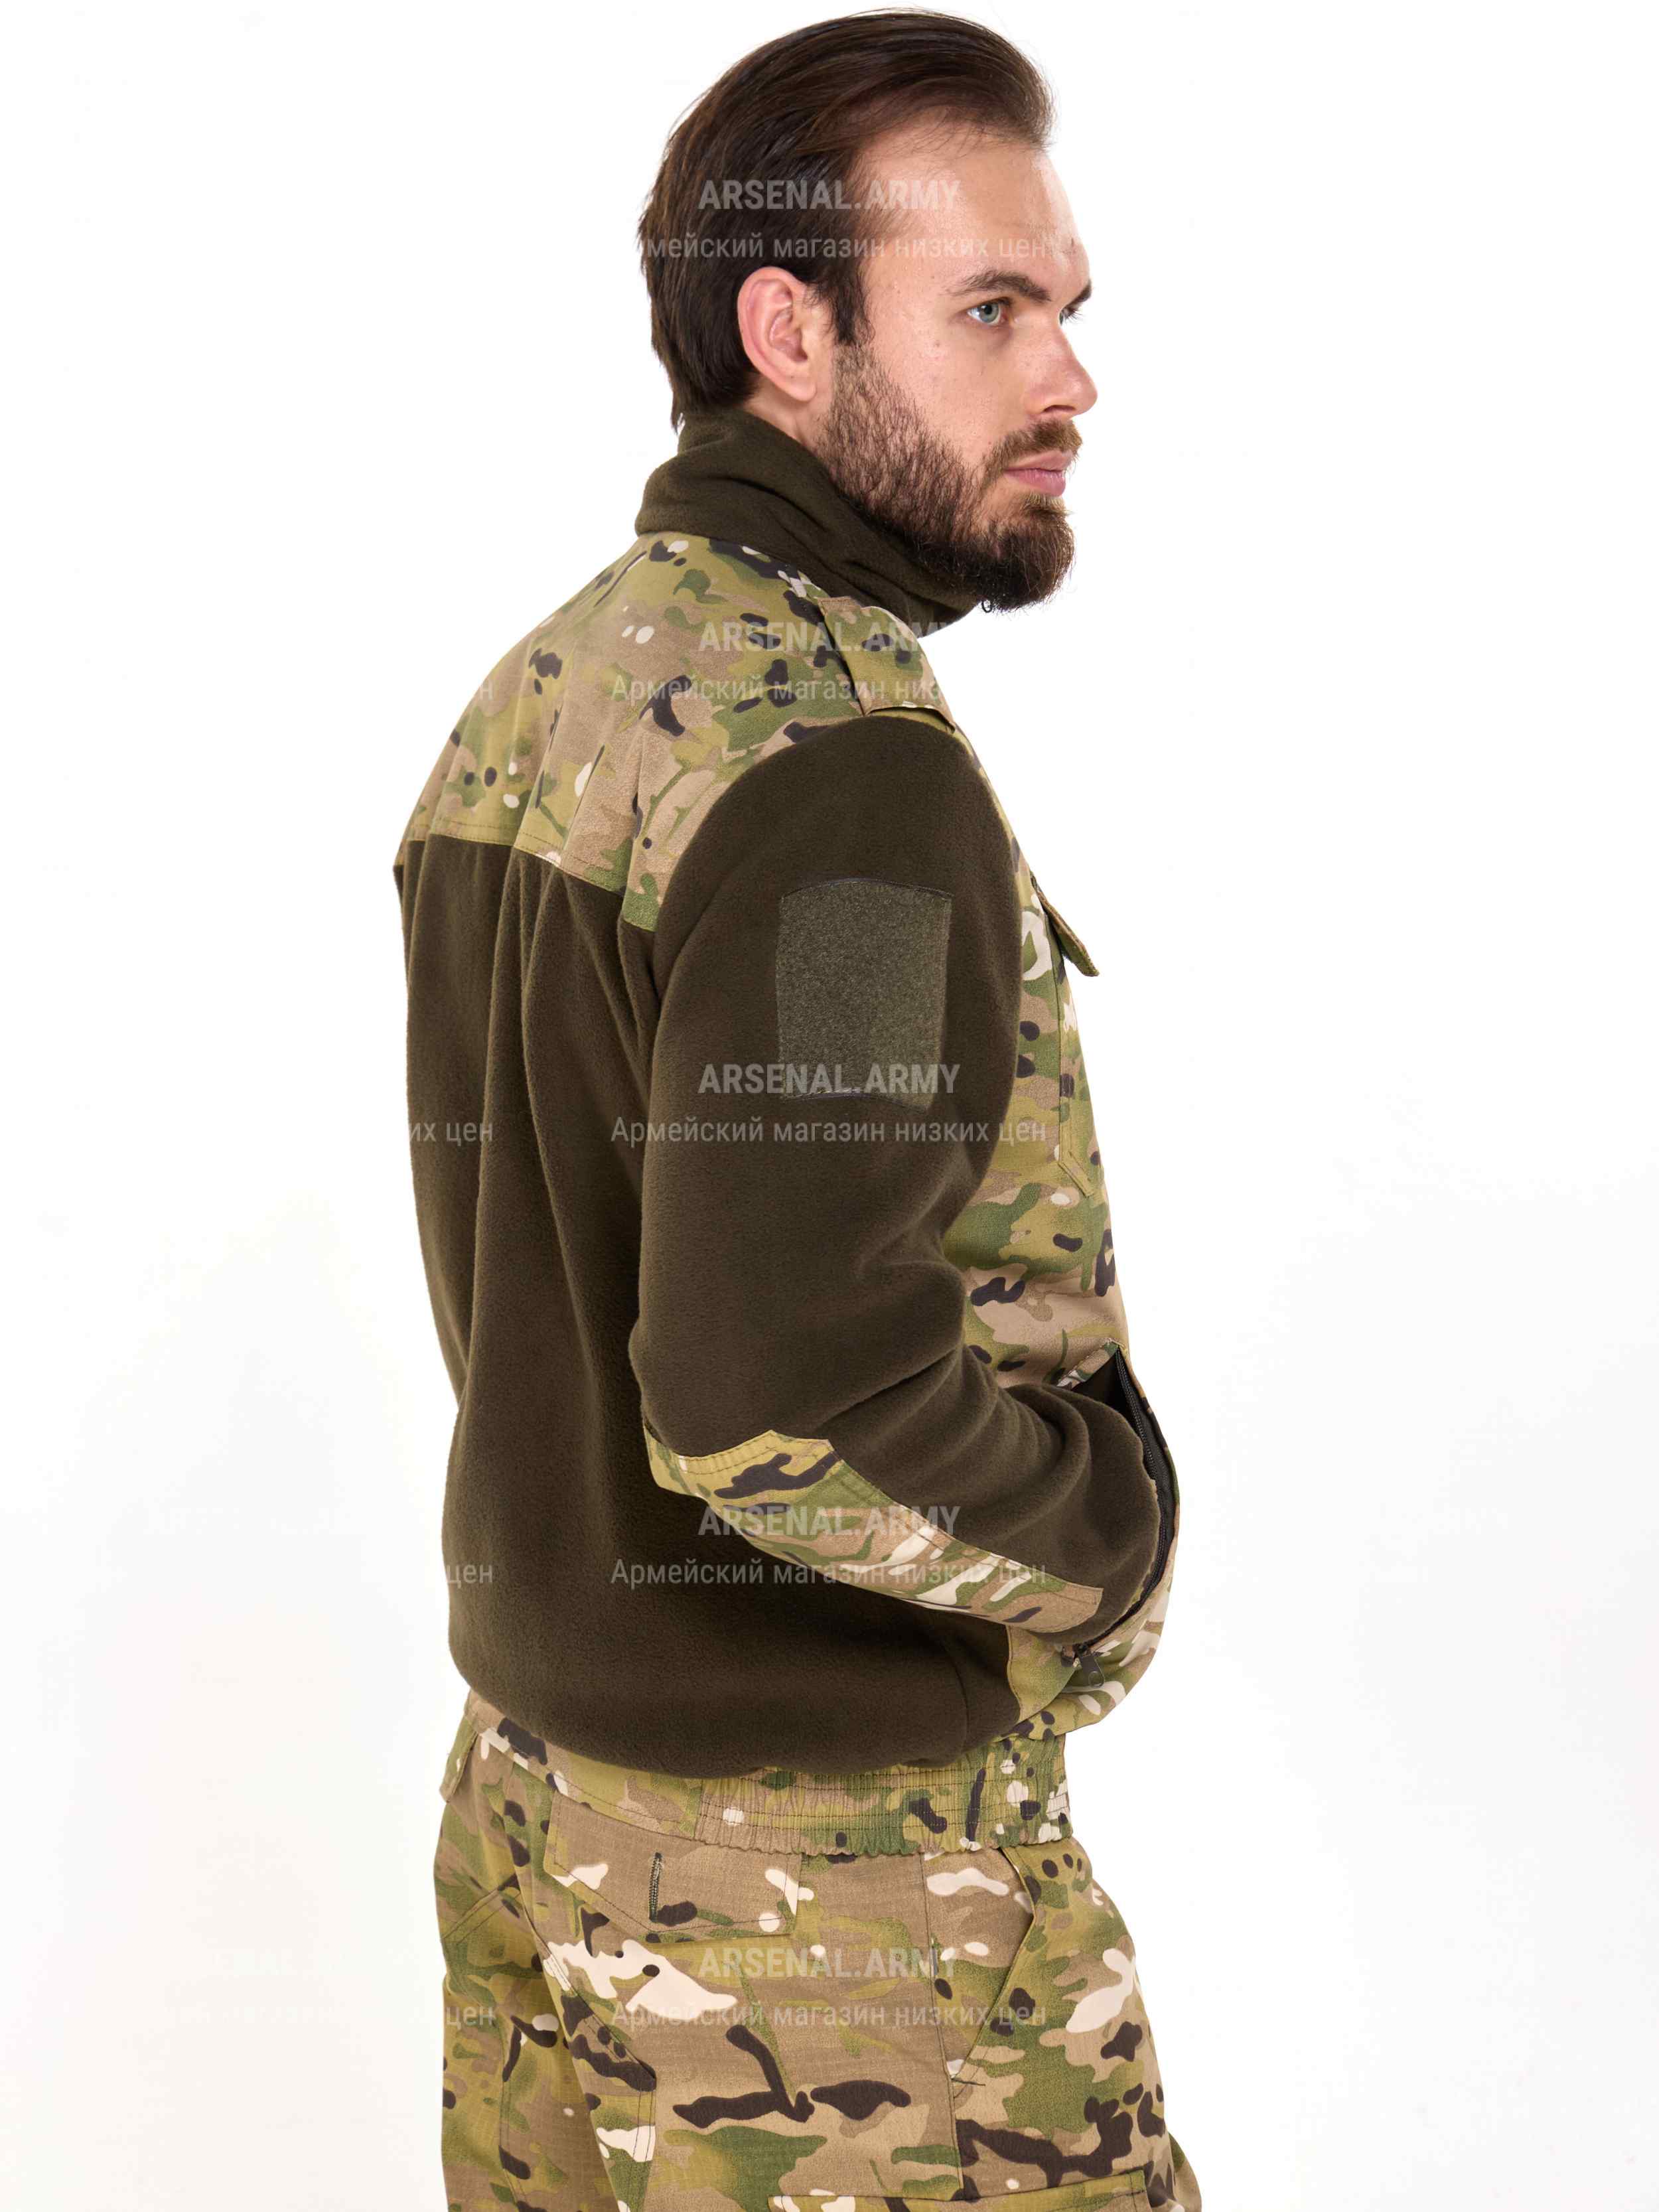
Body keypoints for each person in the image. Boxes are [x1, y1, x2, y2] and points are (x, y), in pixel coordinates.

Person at [394, 13, 1200, 2208]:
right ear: (788, 329)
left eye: (1066, 309)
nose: (1069, 377)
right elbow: (782, 1398)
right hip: (829, 1925)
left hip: (546, 1815)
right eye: (990, 310)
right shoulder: (839, 780)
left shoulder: (555, 688)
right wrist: (1106, 1550)